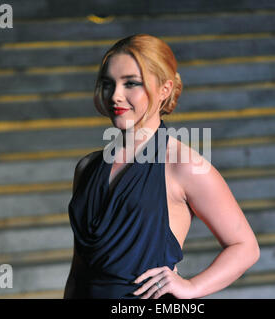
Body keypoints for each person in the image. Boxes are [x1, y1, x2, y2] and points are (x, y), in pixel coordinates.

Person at [64, 34, 260, 299]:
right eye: (109, 84)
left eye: (131, 83)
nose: (116, 96)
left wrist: (192, 287)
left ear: (164, 90)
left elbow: (245, 246)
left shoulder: (184, 165)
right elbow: (78, 269)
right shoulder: (87, 167)